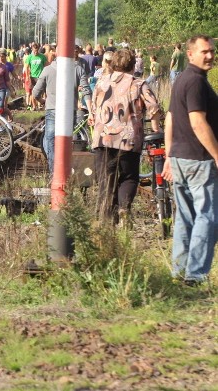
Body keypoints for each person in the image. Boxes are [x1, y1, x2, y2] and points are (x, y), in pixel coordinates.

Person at [162, 35, 218, 286]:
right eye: (204, 51)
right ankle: (195, 275)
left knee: (185, 218)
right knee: (207, 217)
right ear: (190, 54)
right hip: (199, 160)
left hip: (180, 158)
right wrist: (217, 154)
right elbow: (197, 122)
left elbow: (170, 119)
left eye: (212, 51)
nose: (210, 55)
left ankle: (179, 271)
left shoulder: (181, 79)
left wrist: (168, 155)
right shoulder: (195, 82)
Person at [89, 48, 162, 225]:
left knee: (106, 180)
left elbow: (92, 109)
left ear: (113, 65)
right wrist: (155, 128)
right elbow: (153, 108)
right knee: (129, 177)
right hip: (128, 139)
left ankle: (106, 220)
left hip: (103, 138)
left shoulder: (101, 83)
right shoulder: (138, 84)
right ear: (131, 65)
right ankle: (123, 208)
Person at [33, 47, 91, 174]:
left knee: (50, 139)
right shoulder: (78, 69)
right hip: (70, 111)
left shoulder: (47, 70)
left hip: (52, 109)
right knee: (68, 140)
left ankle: (54, 171)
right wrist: (91, 111)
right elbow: (86, 91)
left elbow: (35, 92)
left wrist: (42, 101)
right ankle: (69, 170)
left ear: (56, 54)